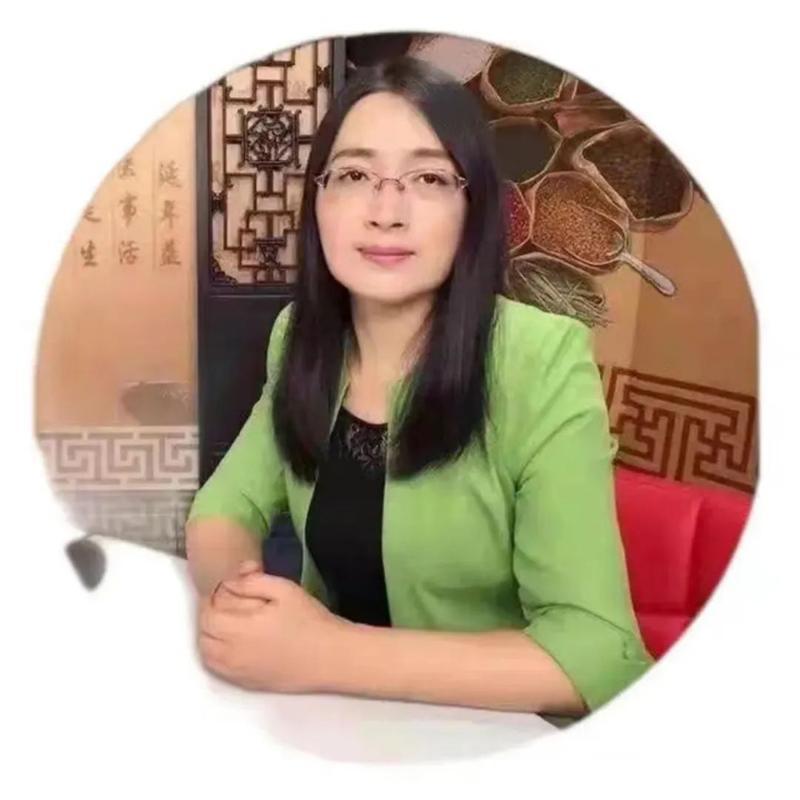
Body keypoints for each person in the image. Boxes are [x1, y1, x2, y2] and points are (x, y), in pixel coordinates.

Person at [185, 55, 654, 718]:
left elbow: (602, 654)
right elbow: (223, 509)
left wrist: (326, 653)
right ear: (317, 199)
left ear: (473, 208)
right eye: (354, 175)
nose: (386, 212)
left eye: (429, 178)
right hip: (330, 723)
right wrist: (240, 606)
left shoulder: (541, 359)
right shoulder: (302, 337)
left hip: (481, 737)